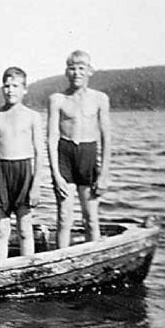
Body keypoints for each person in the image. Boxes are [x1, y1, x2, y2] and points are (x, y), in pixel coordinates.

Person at [47, 50, 111, 248]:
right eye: (72, 68)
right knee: (64, 217)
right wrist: (56, 175)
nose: (77, 73)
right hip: (65, 154)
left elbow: (106, 137)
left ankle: (93, 258)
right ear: (67, 72)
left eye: (81, 68)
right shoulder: (57, 99)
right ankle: (61, 262)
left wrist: (104, 174)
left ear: (90, 71)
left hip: (88, 153)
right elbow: (51, 138)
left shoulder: (100, 98)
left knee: (90, 218)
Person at [0, 67, 43, 261]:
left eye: (15, 86)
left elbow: (40, 152)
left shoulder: (33, 116)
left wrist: (36, 185)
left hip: (24, 172)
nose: (10, 90)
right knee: (1, 229)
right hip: (0, 173)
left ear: (25, 89)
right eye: (6, 86)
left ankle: (28, 269)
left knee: (25, 229)